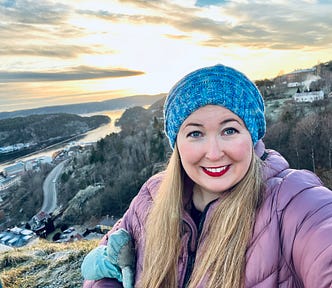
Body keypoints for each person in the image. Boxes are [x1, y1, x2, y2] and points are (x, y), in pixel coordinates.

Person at [82, 64, 332, 288]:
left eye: (230, 130)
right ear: (176, 144)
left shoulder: (292, 202)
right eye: (195, 134)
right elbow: (106, 261)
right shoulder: (150, 198)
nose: (213, 153)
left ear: (252, 136)